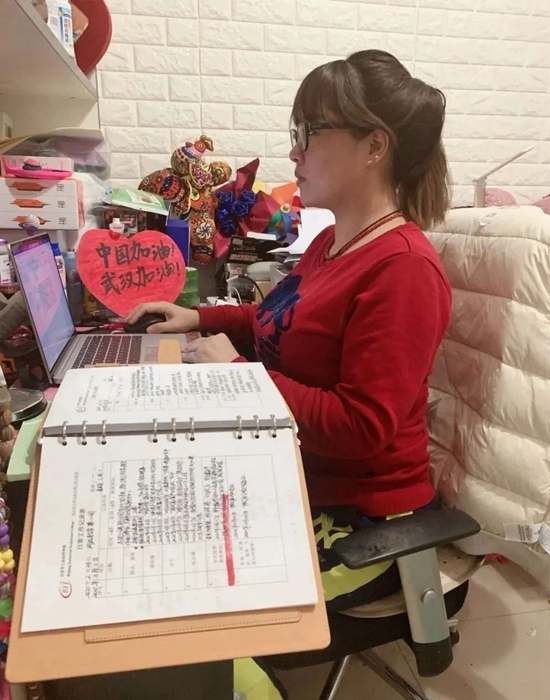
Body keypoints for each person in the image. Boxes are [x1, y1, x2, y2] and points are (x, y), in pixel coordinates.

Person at [127, 50, 452, 699]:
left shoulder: (404, 270)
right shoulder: (333, 244)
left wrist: (239, 375)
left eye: (308, 132)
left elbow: (361, 427)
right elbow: (281, 318)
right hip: (293, 477)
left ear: (374, 146)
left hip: (365, 521)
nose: (294, 151)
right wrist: (199, 318)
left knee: (187, 620)